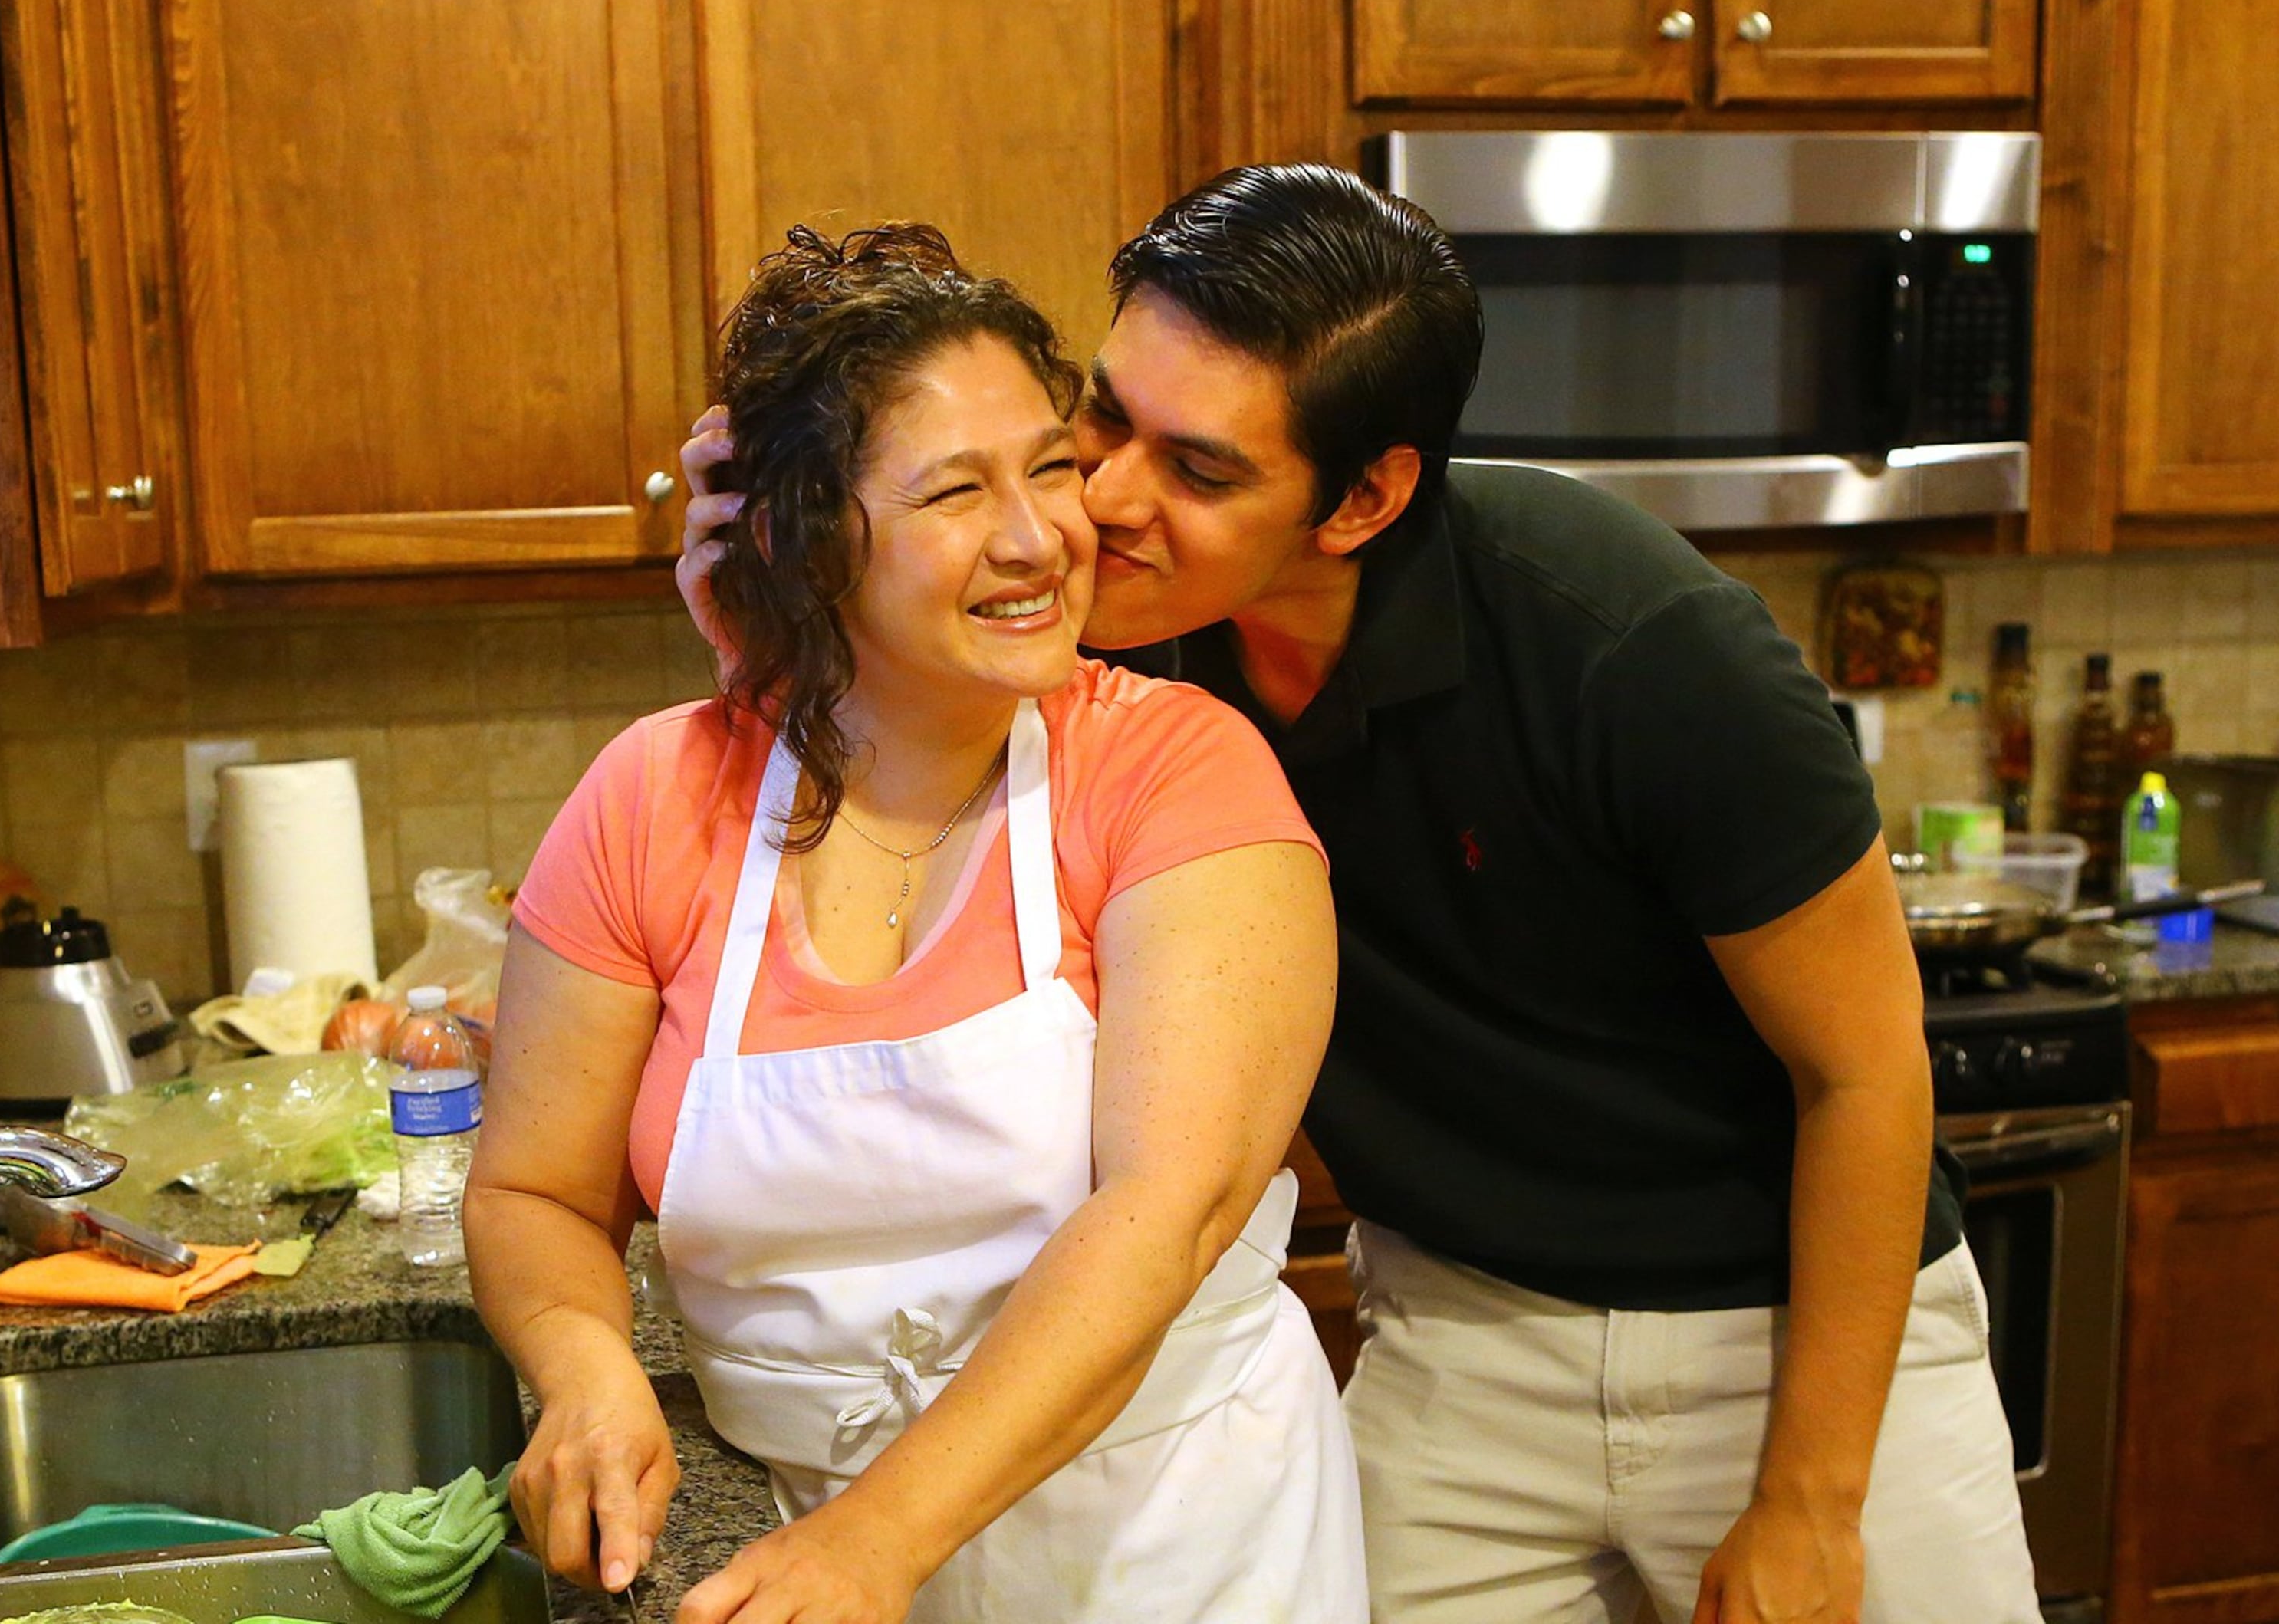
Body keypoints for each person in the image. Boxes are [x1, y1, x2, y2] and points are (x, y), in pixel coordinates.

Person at [679, 168, 2041, 1624]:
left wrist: (1813, 1501)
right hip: (1456, 1338)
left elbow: (1868, 1068)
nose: (1111, 505)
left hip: (1797, 1346)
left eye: (1201, 473)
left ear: (1367, 496)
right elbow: (876, 762)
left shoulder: (1640, 649)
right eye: (1107, 420)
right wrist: (779, 601)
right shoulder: (1097, 654)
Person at [469, 222, 1367, 1624]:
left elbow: (1163, 1213)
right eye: (955, 491)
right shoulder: (652, 798)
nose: (1039, 537)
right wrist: (584, 1372)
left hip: (1175, 1547)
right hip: (801, 1548)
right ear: (807, 534)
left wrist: (882, 1541)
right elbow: (535, 1193)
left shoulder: (1176, 771)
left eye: (1052, 468)